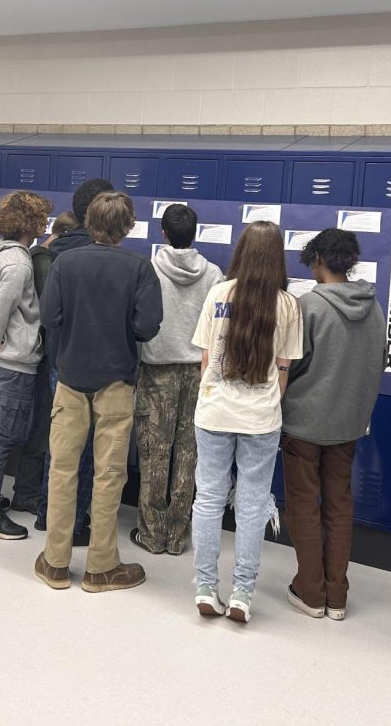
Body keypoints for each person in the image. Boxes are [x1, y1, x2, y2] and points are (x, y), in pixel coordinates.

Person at [34, 191, 162, 593]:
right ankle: (101, 567)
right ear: (128, 226)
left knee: (63, 468)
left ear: (90, 223)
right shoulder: (139, 267)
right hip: (116, 381)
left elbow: (50, 316)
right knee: (109, 474)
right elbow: (147, 327)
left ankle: (55, 561)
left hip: (70, 378)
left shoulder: (65, 262)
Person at [190, 220, 302, 624]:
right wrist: (270, 400)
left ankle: (205, 587)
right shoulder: (288, 305)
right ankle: (241, 594)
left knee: (208, 499)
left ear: (240, 252)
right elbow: (285, 367)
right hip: (261, 418)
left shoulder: (219, 293)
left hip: (214, 411)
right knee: (253, 505)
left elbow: (205, 360)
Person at [280, 229, 385, 621]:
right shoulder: (373, 308)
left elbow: (293, 363)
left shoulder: (308, 306)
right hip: (348, 424)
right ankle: (337, 596)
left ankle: (310, 592)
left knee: (303, 506)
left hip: (304, 424)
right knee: (339, 504)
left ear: (317, 260)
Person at [131, 204, 223, 556]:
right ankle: (177, 535)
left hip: (157, 370)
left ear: (163, 233)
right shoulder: (214, 273)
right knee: (189, 452)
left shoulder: (149, 268)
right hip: (199, 372)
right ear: (195, 233)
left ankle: (152, 535)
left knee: (155, 453)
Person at [0, 191, 54, 539]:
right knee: (2, 437)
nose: (46, 224)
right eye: (41, 218)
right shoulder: (18, 263)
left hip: (1, 359)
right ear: (29, 223)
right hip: (14, 362)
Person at [9, 210, 78, 518]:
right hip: (47, 354)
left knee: (41, 424)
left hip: (35, 351)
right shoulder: (47, 264)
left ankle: (26, 491)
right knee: (45, 427)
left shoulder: (34, 257)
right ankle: (28, 493)